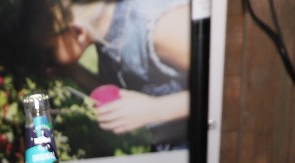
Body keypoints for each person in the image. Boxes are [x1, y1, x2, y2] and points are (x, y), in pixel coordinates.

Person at [31, 0, 192, 147]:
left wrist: (155, 109)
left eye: (49, 51)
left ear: (77, 32)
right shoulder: (105, 35)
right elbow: (122, 91)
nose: (47, 58)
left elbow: (208, 89)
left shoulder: (159, 27)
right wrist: (74, 72)